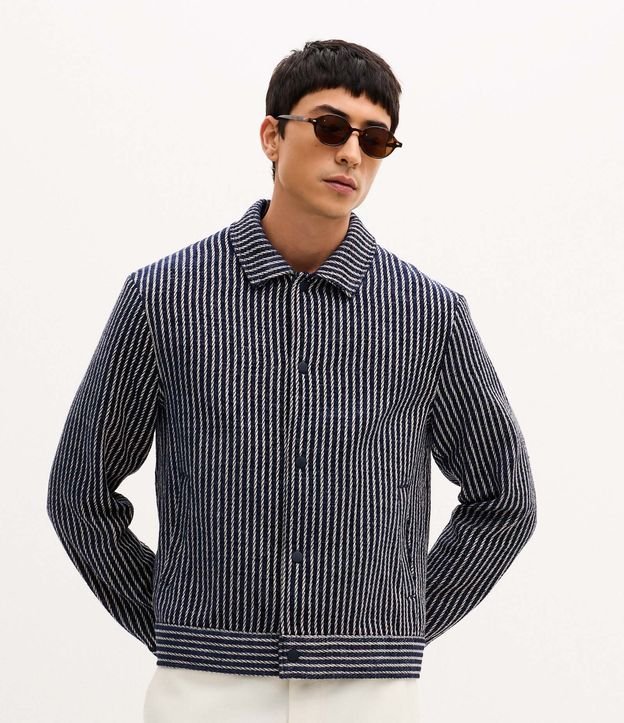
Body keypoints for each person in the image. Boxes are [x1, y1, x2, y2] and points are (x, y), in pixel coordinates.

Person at [47, 39, 537, 723]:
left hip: (369, 696)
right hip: (204, 690)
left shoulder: (429, 313)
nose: (352, 154)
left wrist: (398, 623)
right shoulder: (164, 297)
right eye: (331, 127)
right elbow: (79, 490)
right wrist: (171, 621)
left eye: (375, 140)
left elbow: (505, 497)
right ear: (272, 137)